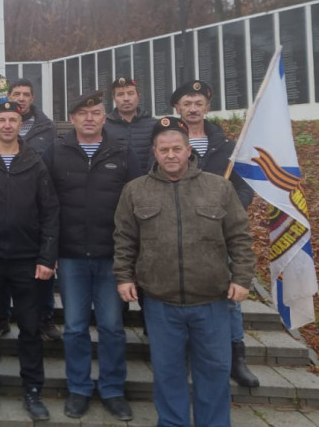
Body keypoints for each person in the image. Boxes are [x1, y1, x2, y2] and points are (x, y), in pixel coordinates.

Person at [114, 116, 256, 427]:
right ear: (154, 152)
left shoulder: (218, 187)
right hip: (160, 302)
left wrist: (243, 278)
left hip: (212, 301)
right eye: (164, 150)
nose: (171, 155)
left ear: (189, 150)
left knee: (214, 371)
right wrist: (123, 277)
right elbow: (124, 239)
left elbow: (240, 237)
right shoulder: (135, 191)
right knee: (168, 372)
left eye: (176, 148)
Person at [42, 91, 139, 421]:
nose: (89, 118)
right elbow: (46, 204)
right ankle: (79, 388)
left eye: (95, 112)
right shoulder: (55, 151)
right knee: (74, 327)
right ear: (72, 118)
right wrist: (50, 250)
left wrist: (132, 255)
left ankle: (112, 389)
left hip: (112, 257)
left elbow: (136, 204)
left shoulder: (122, 153)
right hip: (71, 256)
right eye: (82, 113)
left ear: (104, 117)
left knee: (112, 326)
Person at [0, 102, 59, 421]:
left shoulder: (35, 163)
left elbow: (50, 212)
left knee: (30, 328)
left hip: (27, 261)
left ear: (20, 125)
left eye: (13, 120)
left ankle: (32, 390)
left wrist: (47, 257)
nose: (7, 125)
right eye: (1, 120)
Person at [171, 79, 259, 388]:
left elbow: (244, 188)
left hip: (219, 234)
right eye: (187, 104)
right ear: (177, 108)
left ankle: (236, 356)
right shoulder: (169, 144)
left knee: (229, 297)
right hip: (179, 232)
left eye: (198, 103)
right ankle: (185, 353)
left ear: (207, 107)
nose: (193, 109)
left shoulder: (227, 147)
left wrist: (228, 213)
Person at [0, 77, 59, 340]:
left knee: (39, 275)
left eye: (26, 94)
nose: (21, 98)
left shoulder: (47, 127)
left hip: (33, 205)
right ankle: (1, 317)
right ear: (9, 97)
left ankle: (44, 318)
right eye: (17, 94)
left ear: (32, 98)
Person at [103, 77, 157, 174]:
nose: (126, 99)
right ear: (114, 98)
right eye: (120, 94)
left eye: (130, 93)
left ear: (138, 96)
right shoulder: (104, 126)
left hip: (147, 179)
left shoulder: (153, 125)